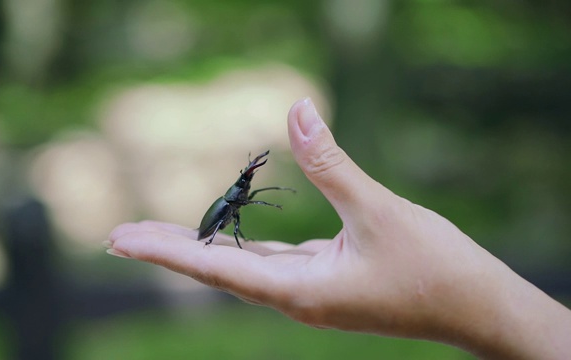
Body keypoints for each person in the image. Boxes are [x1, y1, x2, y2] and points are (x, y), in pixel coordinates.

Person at [106, 98, 571, 359]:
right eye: (246, 178)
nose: (249, 181)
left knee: (239, 215)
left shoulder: (236, 193)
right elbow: (234, 209)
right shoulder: (229, 201)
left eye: (250, 176)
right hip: (213, 220)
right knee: (233, 219)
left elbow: (243, 199)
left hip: (218, 217)